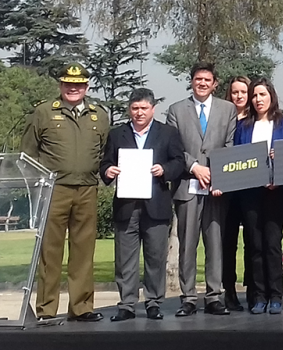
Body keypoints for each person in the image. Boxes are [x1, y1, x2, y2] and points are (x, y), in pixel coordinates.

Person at [21, 62, 110, 322]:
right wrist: (36, 186)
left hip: (87, 189)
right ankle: (46, 309)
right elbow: (28, 153)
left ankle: (81, 308)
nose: (73, 88)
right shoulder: (44, 112)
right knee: (50, 252)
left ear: (86, 87)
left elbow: (103, 151)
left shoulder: (99, 115)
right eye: (68, 84)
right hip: (54, 189)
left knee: (84, 251)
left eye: (78, 84)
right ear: (61, 85)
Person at [100, 88, 186, 322]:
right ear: (130, 109)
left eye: (144, 108)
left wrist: (164, 170)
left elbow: (179, 161)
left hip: (156, 204)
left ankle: (154, 302)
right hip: (126, 205)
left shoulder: (167, 133)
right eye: (135, 108)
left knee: (155, 258)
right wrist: (108, 170)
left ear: (153, 109)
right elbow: (105, 162)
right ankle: (127, 304)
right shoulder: (117, 134)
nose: (139, 113)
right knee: (125, 259)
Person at [166, 62, 238, 317]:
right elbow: (174, 148)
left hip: (216, 187)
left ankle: (214, 296)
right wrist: (195, 167)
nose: (202, 83)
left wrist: (218, 175)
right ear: (192, 81)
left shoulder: (228, 109)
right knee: (187, 244)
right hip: (187, 185)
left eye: (207, 80)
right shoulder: (176, 110)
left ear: (214, 83)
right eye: (198, 79)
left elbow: (229, 145)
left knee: (215, 243)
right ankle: (188, 298)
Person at [233, 78, 283, 314]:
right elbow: (237, 157)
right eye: (255, 95)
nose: (258, 100)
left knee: (272, 244)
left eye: (262, 95)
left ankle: (276, 296)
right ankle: (259, 296)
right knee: (255, 245)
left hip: (276, 192)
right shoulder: (243, 126)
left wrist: (279, 160)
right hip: (250, 192)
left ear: (271, 96)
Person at [222, 76, 251, 312]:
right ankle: (229, 291)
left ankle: (253, 289)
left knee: (252, 241)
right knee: (227, 242)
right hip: (228, 190)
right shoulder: (224, 119)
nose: (239, 96)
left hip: (251, 188)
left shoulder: (256, 120)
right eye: (235, 92)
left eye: (243, 91)